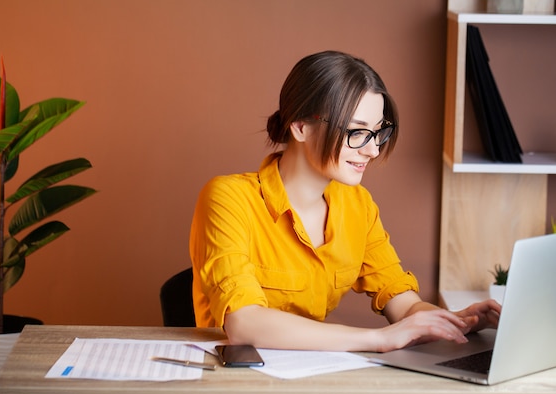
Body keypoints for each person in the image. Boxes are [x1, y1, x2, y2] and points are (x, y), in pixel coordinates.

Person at [189, 50, 500, 352]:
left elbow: (401, 302)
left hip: (314, 380)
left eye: (379, 133)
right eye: (357, 132)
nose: (373, 151)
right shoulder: (228, 199)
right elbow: (244, 324)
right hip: (238, 381)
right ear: (300, 127)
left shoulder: (358, 205)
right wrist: (378, 340)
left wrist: (458, 321)